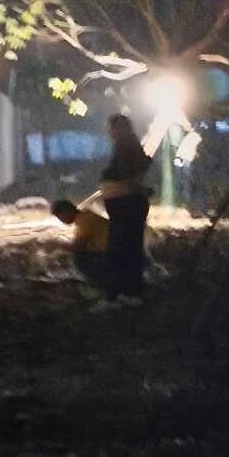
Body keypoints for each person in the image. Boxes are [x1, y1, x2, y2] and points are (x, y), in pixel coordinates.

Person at [93, 114, 154, 310]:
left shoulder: (126, 148)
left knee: (120, 251)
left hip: (126, 207)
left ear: (119, 129)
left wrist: (115, 185)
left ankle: (119, 294)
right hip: (128, 205)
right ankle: (131, 292)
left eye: (111, 129)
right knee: (130, 249)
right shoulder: (128, 146)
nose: (109, 133)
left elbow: (130, 178)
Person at [51, 199, 109, 287]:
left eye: (59, 216)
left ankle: (98, 285)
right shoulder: (86, 216)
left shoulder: (85, 221)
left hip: (107, 255)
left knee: (78, 256)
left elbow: (77, 247)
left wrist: (57, 243)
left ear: (67, 211)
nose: (61, 220)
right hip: (108, 251)